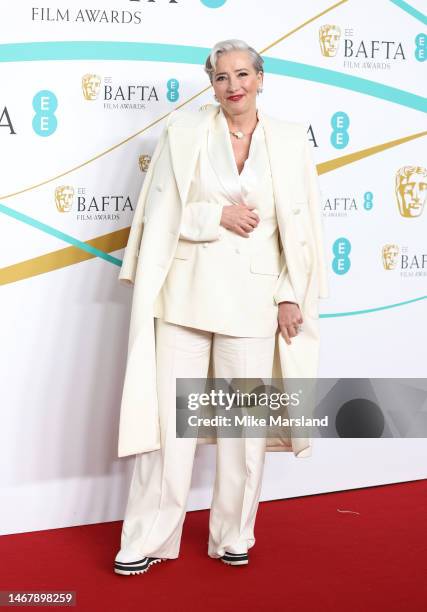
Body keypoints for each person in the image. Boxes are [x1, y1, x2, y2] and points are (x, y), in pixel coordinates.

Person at [114, 39, 329, 576]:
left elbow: (298, 228)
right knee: (170, 426)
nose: (232, 86)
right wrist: (216, 218)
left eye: (242, 74)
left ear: (261, 77)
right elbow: (157, 219)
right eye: (220, 77)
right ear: (210, 84)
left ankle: (234, 534)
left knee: (243, 428)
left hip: (255, 300)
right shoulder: (183, 134)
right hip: (185, 295)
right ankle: (146, 536)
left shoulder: (287, 139)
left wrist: (288, 293)